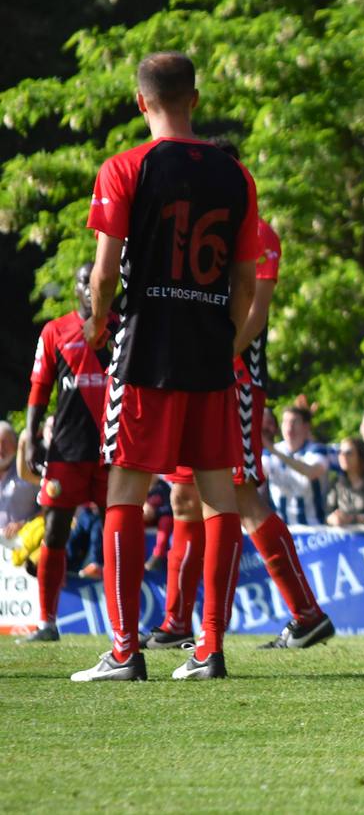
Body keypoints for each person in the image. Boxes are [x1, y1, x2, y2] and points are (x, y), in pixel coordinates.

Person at [71, 52, 259, 681]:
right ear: (196, 99)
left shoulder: (127, 167)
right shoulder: (237, 176)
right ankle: (210, 649)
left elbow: (103, 271)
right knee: (218, 497)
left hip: (145, 347)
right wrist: (222, 341)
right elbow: (244, 282)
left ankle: (125, 651)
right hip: (210, 353)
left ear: (139, 101)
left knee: (125, 489)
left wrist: (97, 326)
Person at [144, 137, 334, 654]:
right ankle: (177, 621)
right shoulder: (205, 225)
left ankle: (306, 613)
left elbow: (256, 310)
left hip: (234, 380)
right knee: (184, 497)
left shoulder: (257, 231)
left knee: (241, 494)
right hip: (195, 376)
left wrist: (218, 355)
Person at [15, 263, 112, 643]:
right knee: (54, 531)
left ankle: (126, 625)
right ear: (75, 288)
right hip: (67, 450)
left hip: (112, 450)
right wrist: (33, 435)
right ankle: (47, 622)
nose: (89, 288)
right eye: (82, 282)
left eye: (95, 281)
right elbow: (39, 388)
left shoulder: (122, 327)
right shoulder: (55, 330)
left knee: (118, 530)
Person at [263, 405, 332, 525]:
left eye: (295, 422)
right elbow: (256, 478)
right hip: (282, 528)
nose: (289, 427)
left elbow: (311, 472)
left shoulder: (317, 450)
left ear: (306, 427)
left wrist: (275, 452)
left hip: (314, 529)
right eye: (285, 422)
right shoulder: (269, 453)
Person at [325, 437, 364, 526]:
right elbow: (328, 513)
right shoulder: (335, 483)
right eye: (340, 452)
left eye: (349, 453)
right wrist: (333, 519)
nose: (343, 456)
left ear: (361, 456)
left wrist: (352, 519)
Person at [1, 422, 39, 538]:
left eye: (5, 442)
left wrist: (24, 524)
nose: (1, 448)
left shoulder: (29, 473)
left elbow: (48, 507)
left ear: (15, 445)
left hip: (19, 545)